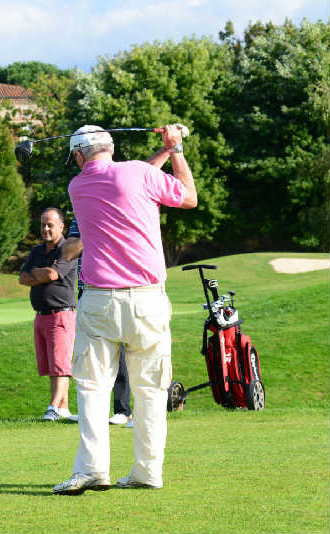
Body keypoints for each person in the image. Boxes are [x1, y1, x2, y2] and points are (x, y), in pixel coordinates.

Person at [53, 124, 197, 495]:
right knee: (150, 390)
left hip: (99, 301)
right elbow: (187, 197)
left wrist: (164, 151)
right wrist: (175, 148)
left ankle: (92, 470)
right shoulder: (138, 174)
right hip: (148, 300)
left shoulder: (77, 186)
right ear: (111, 147)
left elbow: (130, 178)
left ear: (79, 156)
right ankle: (147, 472)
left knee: (92, 387)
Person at [64, 218, 133, 427]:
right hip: (86, 290)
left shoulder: (113, 211)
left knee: (120, 351)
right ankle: (91, 410)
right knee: (89, 355)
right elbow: (69, 252)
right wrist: (91, 229)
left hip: (114, 288)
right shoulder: (78, 216)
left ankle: (123, 410)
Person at [19, 207, 79, 422]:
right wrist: (42, 274)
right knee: (52, 367)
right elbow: (23, 278)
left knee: (60, 366)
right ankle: (63, 408)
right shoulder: (37, 250)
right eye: (43, 224)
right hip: (41, 316)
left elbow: (53, 274)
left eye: (50, 225)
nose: (45, 229)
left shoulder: (67, 249)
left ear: (61, 226)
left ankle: (53, 407)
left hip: (60, 315)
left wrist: (39, 272)